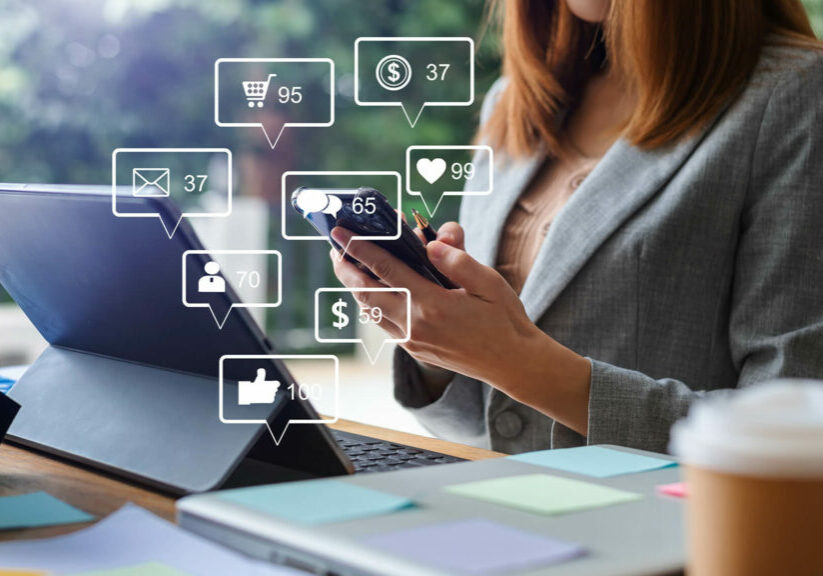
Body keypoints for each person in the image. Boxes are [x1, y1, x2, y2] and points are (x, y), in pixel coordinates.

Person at [330, 0, 823, 453]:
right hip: (499, 507)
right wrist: (437, 346)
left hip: (656, 531)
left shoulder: (795, 94)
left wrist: (519, 363)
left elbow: (792, 431)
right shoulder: (514, 103)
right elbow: (489, 423)